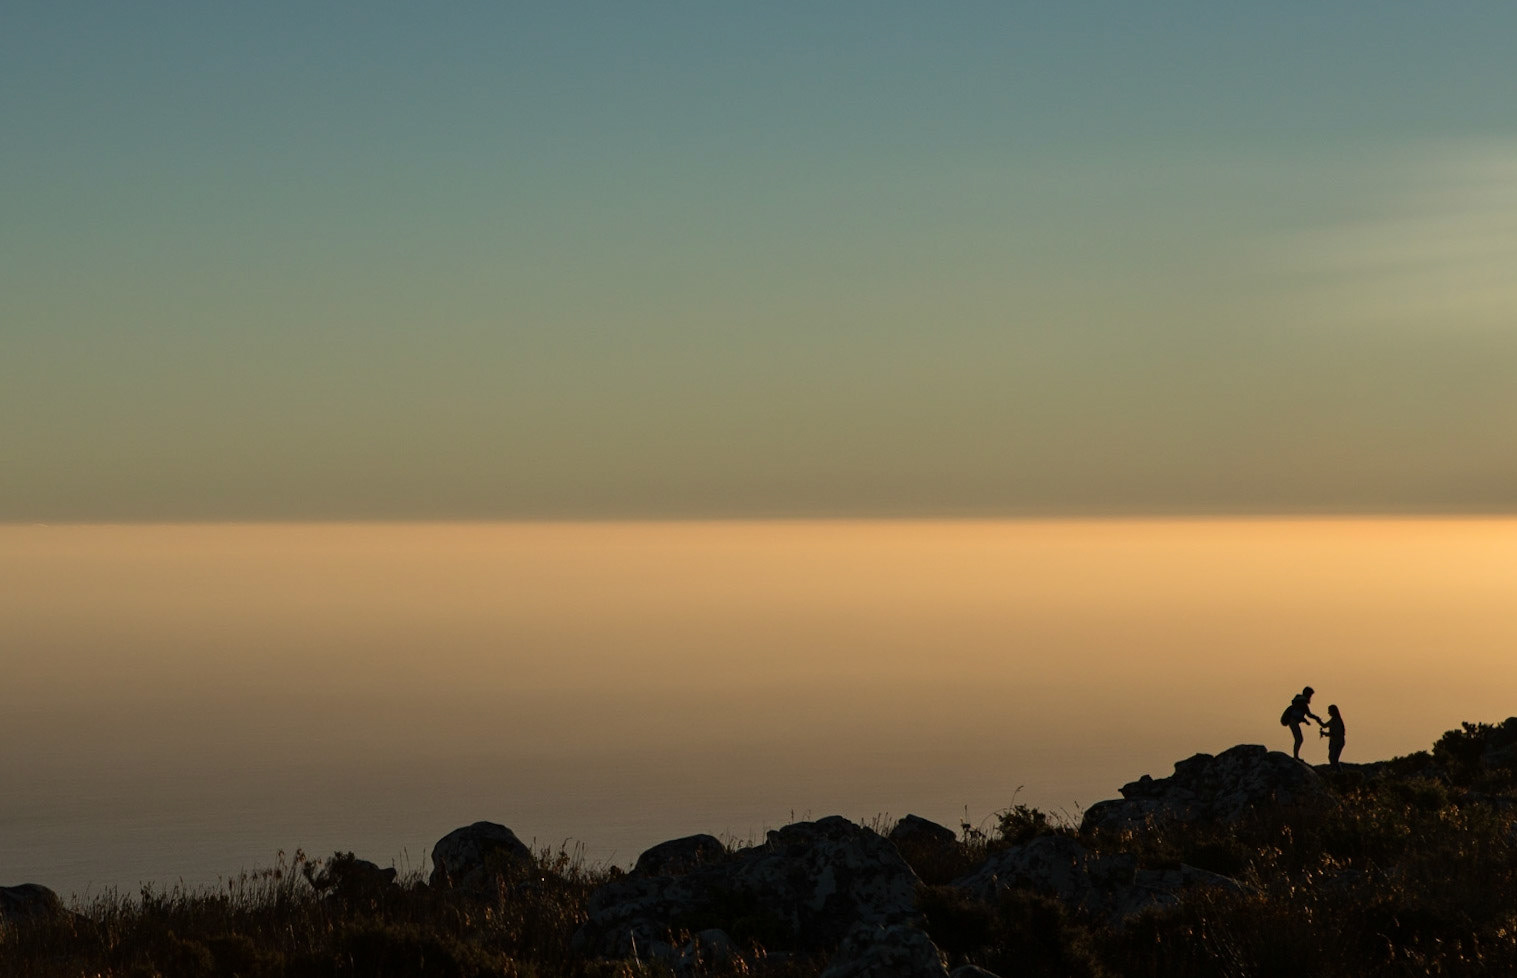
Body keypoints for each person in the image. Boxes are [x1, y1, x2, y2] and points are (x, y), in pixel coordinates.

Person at [1279, 686, 1323, 760]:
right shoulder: (1303, 703)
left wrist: (1305, 721)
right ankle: (1296, 756)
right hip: (1293, 721)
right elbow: (1308, 714)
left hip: (1292, 721)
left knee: (1299, 739)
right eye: (1310, 695)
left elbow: (1300, 714)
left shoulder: (1300, 702)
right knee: (1299, 739)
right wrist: (1316, 718)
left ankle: (1296, 756)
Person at [1319, 704, 1346, 770]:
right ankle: (1336, 771)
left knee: (1334, 759)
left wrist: (1325, 733)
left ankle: (1338, 773)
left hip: (1338, 742)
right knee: (1331, 758)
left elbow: (1335, 733)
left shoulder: (1337, 721)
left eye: (1329, 711)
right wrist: (1318, 720)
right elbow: (1324, 725)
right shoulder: (1333, 720)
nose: (1328, 713)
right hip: (1334, 741)